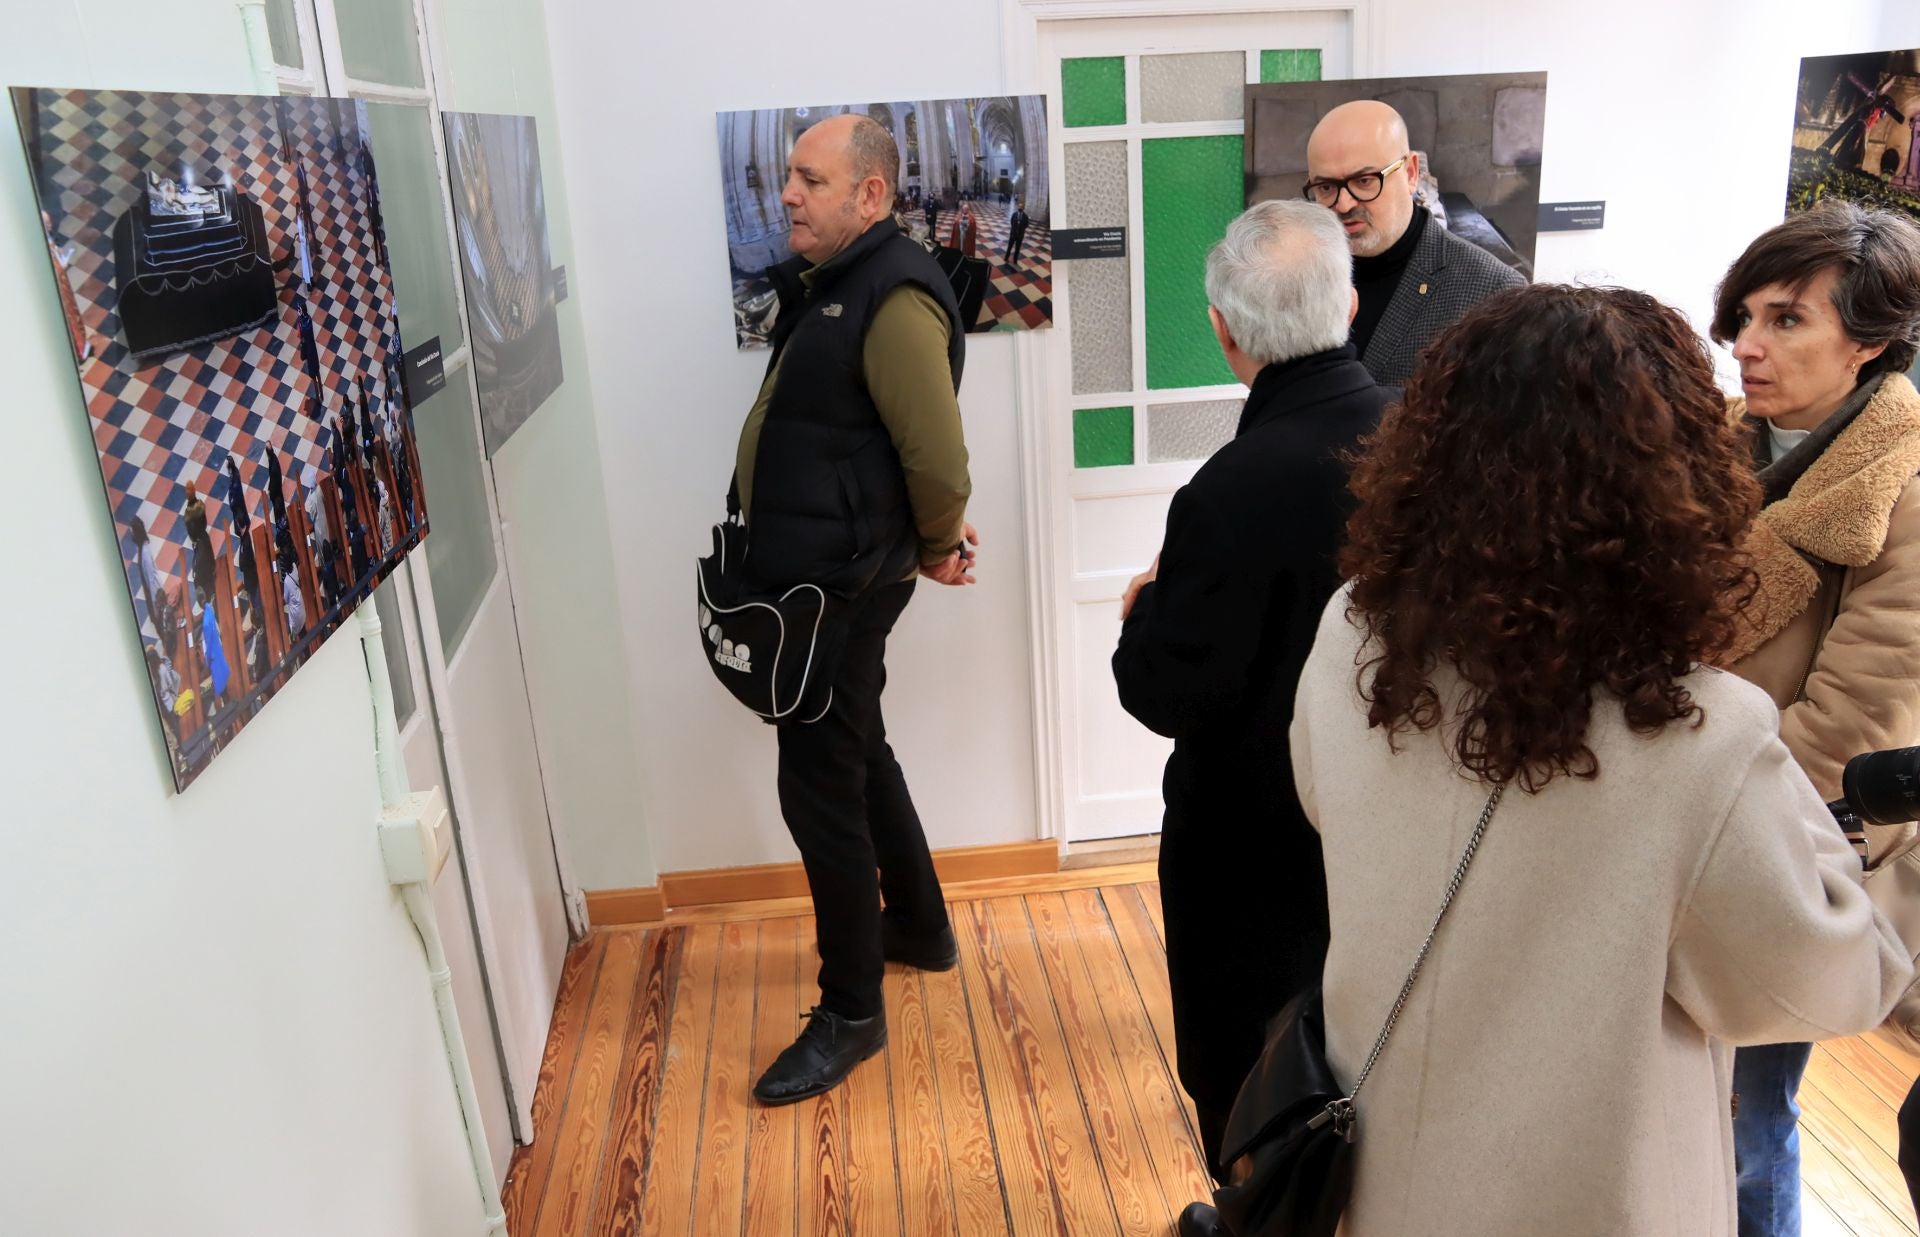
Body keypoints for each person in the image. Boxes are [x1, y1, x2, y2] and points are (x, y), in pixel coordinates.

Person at [1288, 282, 1913, 1236]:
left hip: (1379, 1167)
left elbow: (1323, 797)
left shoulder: (1356, 633)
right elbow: (1823, 983)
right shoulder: (1703, 732)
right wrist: (1887, 861)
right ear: (1679, 484)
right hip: (1590, 1195)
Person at [1109, 199, 1388, 1237]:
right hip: (1404, 830)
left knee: (1255, 1081)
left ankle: (1260, 1214)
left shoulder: (1233, 486)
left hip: (1258, 850)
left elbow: (1165, 691)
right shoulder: (1430, 442)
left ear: (1226, 334)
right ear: (1350, 305)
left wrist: (1143, 612)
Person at [740, 114, 978, 1106]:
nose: (788, 193)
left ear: (870, 195)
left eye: (810, 178)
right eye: (788, 176)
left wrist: (937, 543)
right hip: (821, 575)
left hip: (842, 584)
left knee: (818, 784)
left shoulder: (891, 296)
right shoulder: (840, 283)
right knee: (857, 745)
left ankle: (851, 1010)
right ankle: (918, 926)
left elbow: (937, 457)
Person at [1704, 201, 1920, 1237]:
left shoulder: (1902, 489)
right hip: (1682, 836)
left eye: (1787, 319)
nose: (1748, 343)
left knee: (1747, 1123)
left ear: (1870, 339)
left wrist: (1690, 817)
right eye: (1745, 314)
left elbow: (1856, 721)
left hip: (1781, 851)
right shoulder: (1712, 457)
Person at [1302, 100, 1523, 385]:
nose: (1344, 204)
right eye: (1326, 187)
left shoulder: (1495, 292)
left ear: (1410, 173)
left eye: (1365, 181)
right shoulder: (1301, 273)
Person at [181, 482, 216, 607]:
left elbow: (199, 570)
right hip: (203, 540)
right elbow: (204, 522)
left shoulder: (188, 513)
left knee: (205, 573)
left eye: (188, 490)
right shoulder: (200, 506)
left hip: (200, 545)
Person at [1006, 199, 1030, 267]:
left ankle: (1015, 260)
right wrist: (1015, 229)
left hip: (1020, 235)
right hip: (1013, 234)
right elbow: (1011, 222)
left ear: (1023, 208)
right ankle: (1006, 257)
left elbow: (1026, 225)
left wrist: (1021, 228)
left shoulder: (1025, 216)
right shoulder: (1014, 214)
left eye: (1021, 207)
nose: (1020, 208)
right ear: (1017, 207)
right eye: (1019, 206)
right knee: (1009, 247)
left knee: (1017, 249)